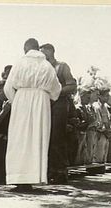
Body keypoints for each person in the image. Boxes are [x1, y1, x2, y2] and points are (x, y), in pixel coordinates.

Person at [4, 38, 61, 191]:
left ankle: (19, 178)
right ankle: (35, 176)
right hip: (41, 103)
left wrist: (16, 101)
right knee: (38, 138)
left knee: (19, 139)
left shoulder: (19, 64)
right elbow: (56, 90)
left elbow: (8, 88)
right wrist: (46, 97)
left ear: (25, 49)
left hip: (21, 100)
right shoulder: (47, 65)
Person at [40, 43, 77, 184]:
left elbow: (72, 85)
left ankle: (60, 172)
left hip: (59, 105)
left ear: (52, 52)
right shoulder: (41, 68)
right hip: (45, 104)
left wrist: (57, 92)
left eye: (45, 53)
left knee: (57, 138)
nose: (43, 56)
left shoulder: (62, 67)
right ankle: (48, 171)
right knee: (45, 137)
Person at [74, 86, 91, 165]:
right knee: (78, 151)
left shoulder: (86, 108)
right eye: (87, 98)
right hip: (79, 133)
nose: (89, 100)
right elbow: (77, 123)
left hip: (85, 133)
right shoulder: (78, 108)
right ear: (81, 96)